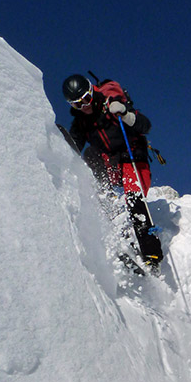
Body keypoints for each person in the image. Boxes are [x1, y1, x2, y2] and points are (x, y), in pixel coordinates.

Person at [62, 74, 163, 266]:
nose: (84, 106)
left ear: (92, 91)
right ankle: (107, 207)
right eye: (77, 104)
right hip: (111, 165)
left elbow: (146, 126)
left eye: (86, 99)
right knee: (89, 154)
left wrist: (125, 114)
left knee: (134, 199)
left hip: (133, 158)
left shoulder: (111, 103)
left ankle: (152, 254)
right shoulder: (81, 123)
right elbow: (73, 148)